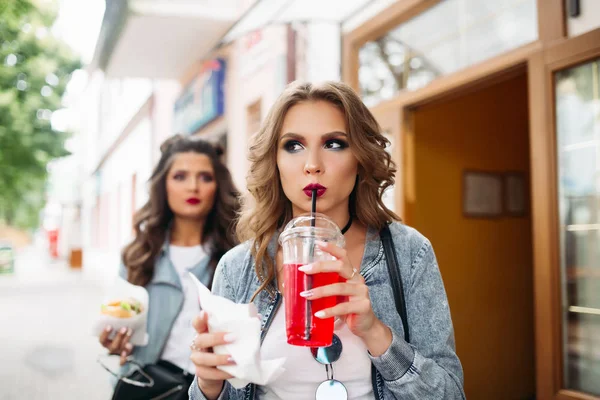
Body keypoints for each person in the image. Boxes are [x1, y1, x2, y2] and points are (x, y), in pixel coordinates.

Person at [188, 82, 465, 400]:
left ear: (360, 157)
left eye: (334, 144)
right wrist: (209, 386)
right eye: (293, 146)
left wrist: (375, 332)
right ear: (274, 162)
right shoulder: (238, 267)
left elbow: (450, 394)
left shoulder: (409, 253)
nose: (312, 165)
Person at [98, 134, 240, 395]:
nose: (193, 187)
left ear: (218, 186)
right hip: (148, 389)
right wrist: (115, 341)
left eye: (205, 177)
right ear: (163, 185)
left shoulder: (237, 257)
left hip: (213, 393)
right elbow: (122, 327)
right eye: (180, 176)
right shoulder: (138, 255)